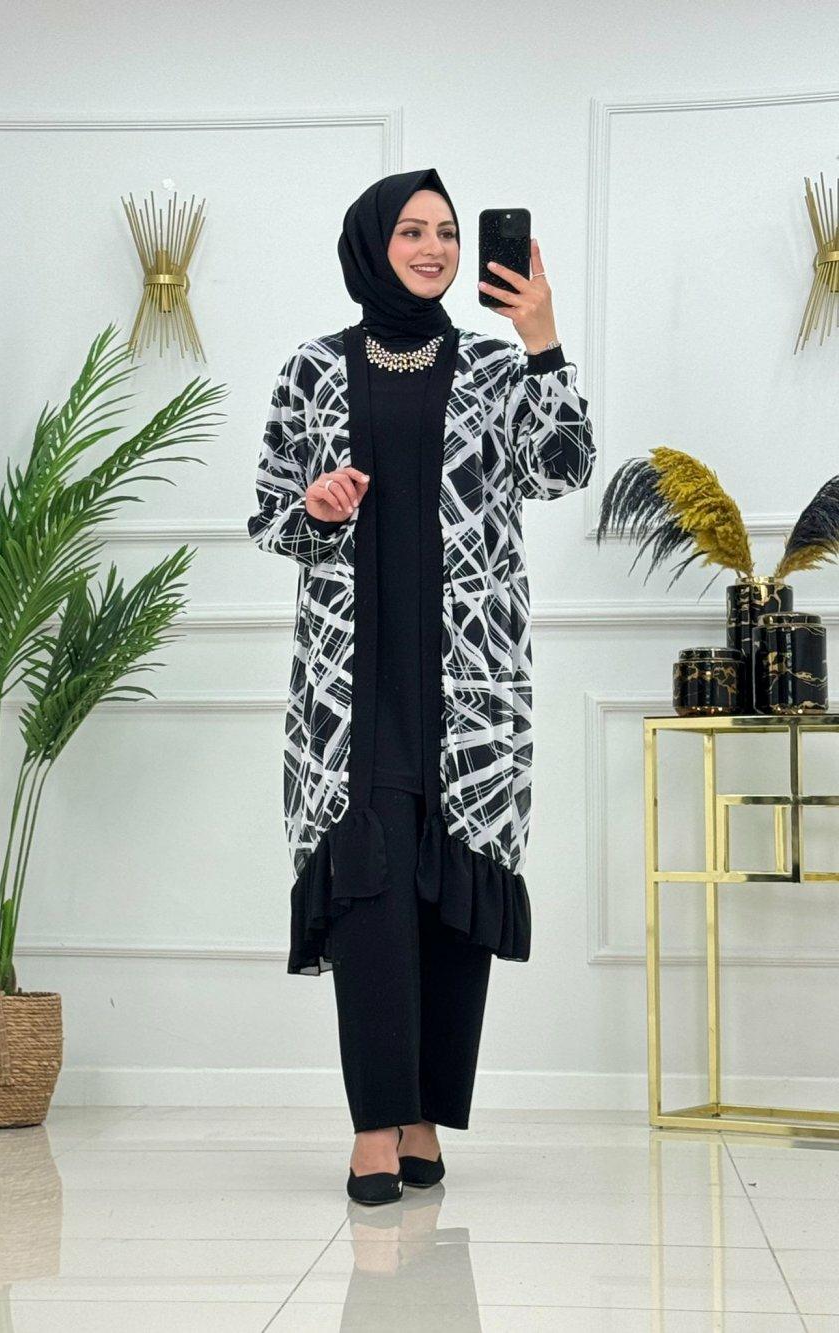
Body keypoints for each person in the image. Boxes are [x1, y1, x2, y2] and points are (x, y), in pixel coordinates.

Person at [246, 168, 595, 1205]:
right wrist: (316, 506)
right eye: (412, 230)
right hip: (351, 686)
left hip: (471, 680)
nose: (435, 246)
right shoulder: (313, 368)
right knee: (368, 891)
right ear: (371, 243)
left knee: (451, 890)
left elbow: (562, 468)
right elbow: (271, 515)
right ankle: (373, 1125)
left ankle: (425, 1117)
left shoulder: (492, 365)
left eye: (446, 231)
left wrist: (543, 339)